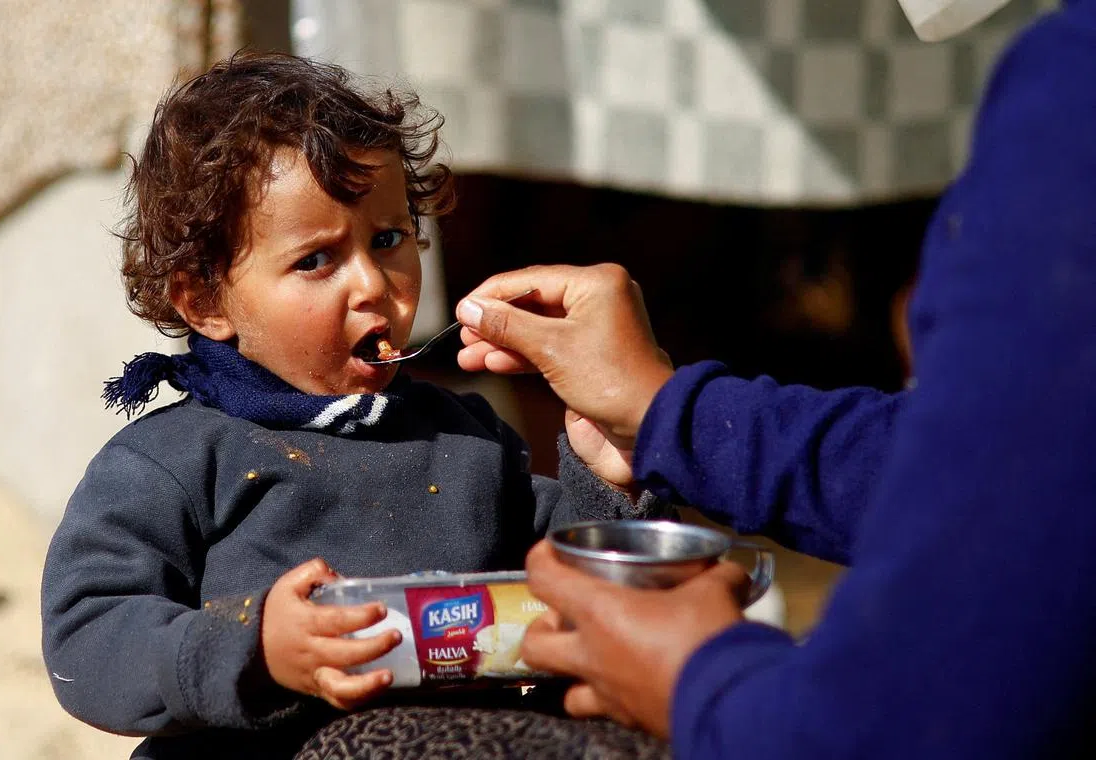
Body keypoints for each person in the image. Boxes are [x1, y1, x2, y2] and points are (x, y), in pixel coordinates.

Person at [450, 0, 1096, 756]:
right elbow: (1001, 470)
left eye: (392, 238)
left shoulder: (1073, 99)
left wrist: (701, 681)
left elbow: (918, 714)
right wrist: (667, 412)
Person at [40, 53, 670, 760]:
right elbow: (88, 641)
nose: (373, 284)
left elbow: (578, 591)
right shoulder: (171, 462)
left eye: (389, 239)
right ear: (206, 300)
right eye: (316, 260)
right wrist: (255, 647)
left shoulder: (466, 440)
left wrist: (609, 471)